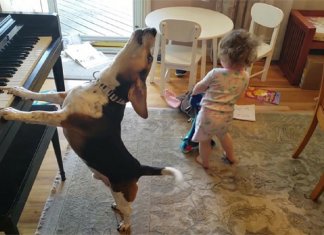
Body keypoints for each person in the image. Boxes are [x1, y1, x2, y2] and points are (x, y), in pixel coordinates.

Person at [191, 29, 260, 169]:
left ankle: (204, 162)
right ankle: (231, 157)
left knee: (204, 140)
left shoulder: (216, 73)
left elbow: (200, 86)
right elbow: (240, 95)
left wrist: (194, 92)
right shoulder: (245, 76)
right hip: (226, 115)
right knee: (224, 136)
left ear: (225, 57)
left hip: (207, 116)